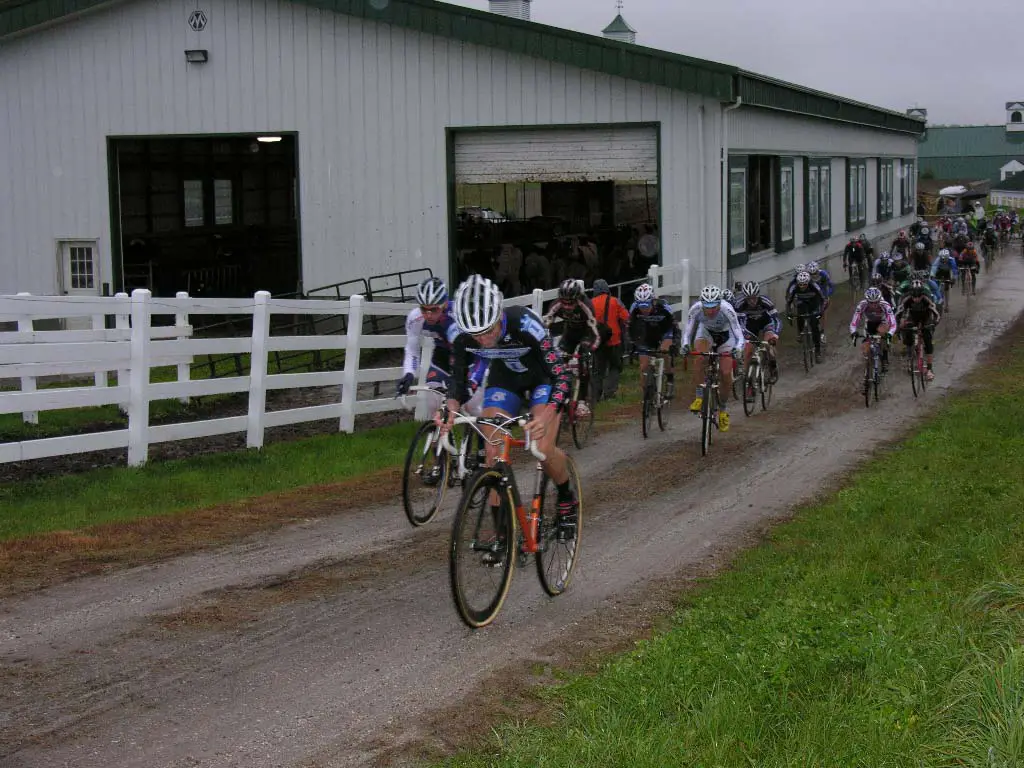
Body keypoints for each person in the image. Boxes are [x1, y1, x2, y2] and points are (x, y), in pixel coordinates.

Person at [440, 274, 578, 534]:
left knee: (542, 448)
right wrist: (450, 408)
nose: (482, 340)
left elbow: (562, 376)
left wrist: (546, 417)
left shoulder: (525, 324)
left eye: (488, 331)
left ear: (499, 316)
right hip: (505, 381)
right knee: (492, 453)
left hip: (542, 380)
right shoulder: (462, 336)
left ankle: (565, 497)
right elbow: (457, 382)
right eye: (475, 335)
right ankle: (503, 536)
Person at [397, 276, 486, 416]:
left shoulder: (459, 315)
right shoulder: (415, 318)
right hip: (442, 357)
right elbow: (412, 349)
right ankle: (439, 436)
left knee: (471, 407)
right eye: (423, 309)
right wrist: (408, 374)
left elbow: (481, 347)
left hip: (470, 359)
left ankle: (483, 437)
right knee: (433, 404)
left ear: (444, 304)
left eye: (434, 309)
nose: (428, 315)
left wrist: (469, 381)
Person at [682, 285, 745, 432]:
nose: (710, 311)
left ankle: (722, 409)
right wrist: (685, 345)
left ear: (719, 304)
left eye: (714, 307)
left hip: (726, 337)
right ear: (701, 304)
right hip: (706, 333)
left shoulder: (727, 309)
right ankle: (699, 397)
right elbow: (688, 331)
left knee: (725, 373)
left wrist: (738, 349)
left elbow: (739, 335)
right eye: (707, 307)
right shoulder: (696, 308)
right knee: (699, 358)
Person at [542, 278, 602, 415]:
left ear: (578, 298)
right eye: (564, 303)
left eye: (571, 303)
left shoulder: (586, 306)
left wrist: (592, 348)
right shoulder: (556, 305)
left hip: (587, 333)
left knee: (583, 362)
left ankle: (582, 401)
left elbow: (596, 333)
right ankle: (562, 397)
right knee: (559, 364)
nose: (567, 306)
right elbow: (545, 327)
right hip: (569, 333)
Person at [628, 282, 680, 400]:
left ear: (653, 301)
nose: (643, 308)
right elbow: (630, 328)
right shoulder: (634, 309)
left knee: (665, 353)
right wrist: (632, 344)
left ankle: (670, 380)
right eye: (641, 305)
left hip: (664, 332)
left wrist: (675, 344)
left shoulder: (664, 307)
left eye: (646, 305)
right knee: (643, 366)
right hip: (647, 334)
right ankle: (647, 396)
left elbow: (674, 327)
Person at [590, 279, 630, 401]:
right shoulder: (615, 301)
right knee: (615, 366)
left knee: (597, 370)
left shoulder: (590, 303)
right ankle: (610, 393)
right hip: (614, 341)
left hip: (598, 342)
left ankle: (595, 396)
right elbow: (626, 318)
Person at [734, 280, 781, 382]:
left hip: (766, 324)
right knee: (747, 350)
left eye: (754, 298)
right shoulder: (739, 304)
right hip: (750, 326)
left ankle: (773, 367)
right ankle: (746, 379)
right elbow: (738, 324)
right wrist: (744, 334)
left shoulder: (765, 302)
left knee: (768, 345)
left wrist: (775, 335)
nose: (752, 301)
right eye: (749, 299)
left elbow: (777, 320)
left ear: (758, 295)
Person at [895, 279, 941, 381]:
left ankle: (929, 369)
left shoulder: (926, 299)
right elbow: (898, 313)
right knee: (907, 332)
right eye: (914, 297)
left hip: (926, 319)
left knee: (928, 342)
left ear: (922, 294)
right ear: (910, 294)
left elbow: (936, 313)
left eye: (919, 296)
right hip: (913, 318)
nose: (916, 299)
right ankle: (909, 356)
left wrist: (935, 323)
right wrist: (899, 324)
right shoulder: (907, 300)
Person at [849, 287, 896, 372]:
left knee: (881, 332)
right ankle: (869, 366)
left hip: (882, 322)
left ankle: (884, 358)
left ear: (879, 300)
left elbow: (893, 323)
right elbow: (854, 322)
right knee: (865, 349)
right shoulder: (862, 305)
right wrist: (853, 332)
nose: (874, 305)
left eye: (876, 302)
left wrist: (890, 334)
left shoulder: (885, 305)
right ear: (867, 301)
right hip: (870, 323)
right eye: (871, 303)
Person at [784, 271, 827, 363]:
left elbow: (823, 300)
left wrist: (821, 311)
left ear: (808, 283)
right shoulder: (794, 288)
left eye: (804, 285)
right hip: (802, 304)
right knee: (800, 316)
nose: (802, 286)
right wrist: (789, 314)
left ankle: (817, 351)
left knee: (814, 325)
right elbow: (788, 302)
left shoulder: (814, 286)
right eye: (800, 284)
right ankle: (800, 333)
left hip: (814, 304)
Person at [807, 261, 834, 343]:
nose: (813, 276)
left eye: (815, 273)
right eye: (811, 274)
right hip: (812, 296)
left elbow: (831, 286)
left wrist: (827, 295)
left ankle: (822, 331)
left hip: (823, 295)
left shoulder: (823, 274)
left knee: (823, 312)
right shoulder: (806, 276)